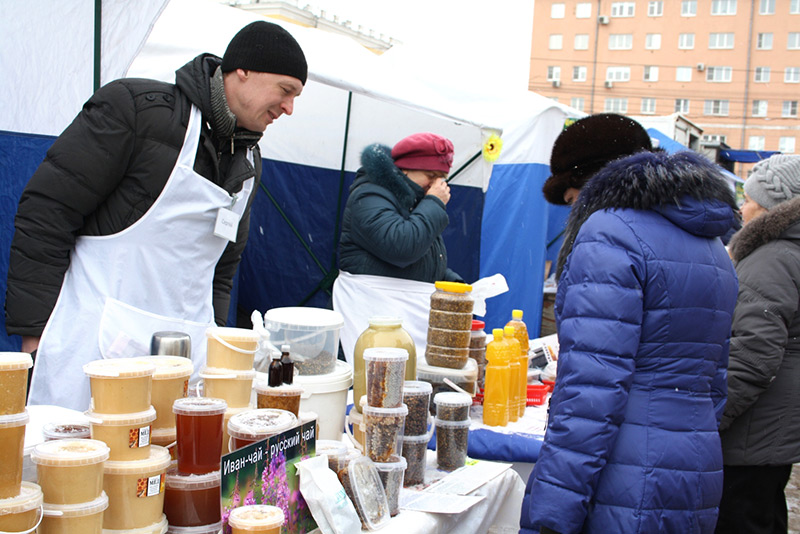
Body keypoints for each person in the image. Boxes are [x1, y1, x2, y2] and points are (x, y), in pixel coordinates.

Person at [5, 21, 307, 410]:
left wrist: (216, 352)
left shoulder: (249, 162)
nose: (289, 108)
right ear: (243, 71)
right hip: (93, 352)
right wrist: (34, 332)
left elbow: (221, 271)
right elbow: (46, 212)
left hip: (185, 369)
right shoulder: (136, 110)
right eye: (286, 91)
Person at [520, 113, 739, 534]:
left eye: (570, 199)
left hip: (625, 470)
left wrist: (551, 512)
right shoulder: (711, 244)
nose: (572, 213)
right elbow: (716, 381)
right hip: (696, 463)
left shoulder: (609, 232)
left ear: (593, 181)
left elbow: (590, 392)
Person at [715, 155, 800, 534]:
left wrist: (714, 417)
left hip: (753, 430)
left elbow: (753, 354)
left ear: (770, 207)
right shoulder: (786, 253)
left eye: (747, 198)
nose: (741, 207)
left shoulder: (772, 259)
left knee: (744, 517)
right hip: (772, 427)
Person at [333, 132, 463, 364]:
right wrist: (434, 203)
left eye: (442, 178)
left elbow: (424, 256)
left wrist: (451, 282)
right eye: (430, 176)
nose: (436, 185)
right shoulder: (370, 194)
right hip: (370, 317)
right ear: (405, 170)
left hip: (404, 317)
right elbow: (402, 247)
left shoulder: (417, 201)